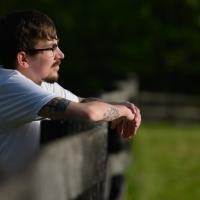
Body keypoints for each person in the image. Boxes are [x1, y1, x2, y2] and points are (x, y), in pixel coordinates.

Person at [0, 10, 141, 173]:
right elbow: (89, 113)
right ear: (23, 59)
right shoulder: (10, 86)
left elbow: (80, 102)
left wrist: (126, 107)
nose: (61, 54)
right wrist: (123, 111)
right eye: (52, 48)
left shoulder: (36, 82)